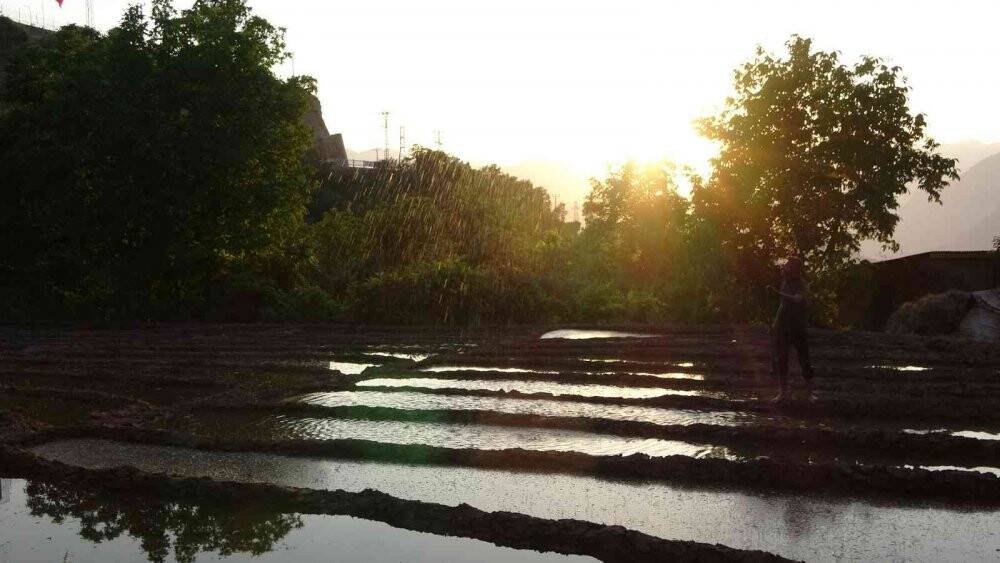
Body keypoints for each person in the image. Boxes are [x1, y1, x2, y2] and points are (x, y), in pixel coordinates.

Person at [769, 256, 815, 402]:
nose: (784, 267)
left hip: (798, 326)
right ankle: (782, 393)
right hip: (783, 326)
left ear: (794, 269)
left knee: (804, 359)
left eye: (787, 266)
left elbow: (804, 301)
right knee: (782, 359)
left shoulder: (802, 284)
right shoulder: (784, 283)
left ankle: (810, 393)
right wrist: (776, 323)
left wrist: (799, 298)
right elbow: (783, 305)